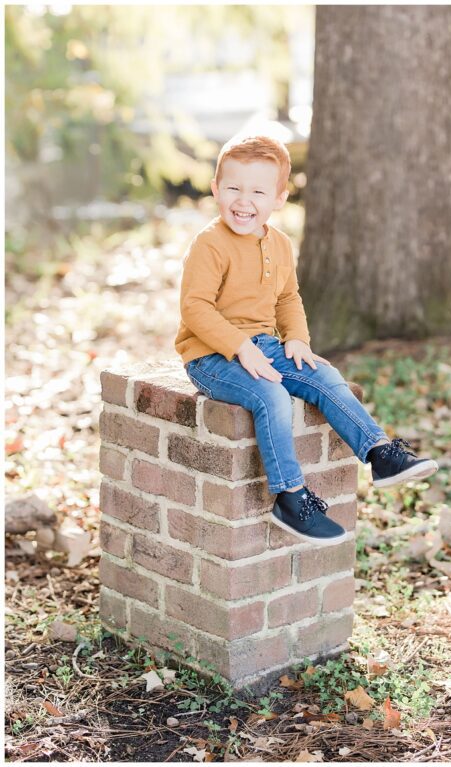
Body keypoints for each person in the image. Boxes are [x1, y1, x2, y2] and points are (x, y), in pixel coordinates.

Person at [175, 134, 437, 546]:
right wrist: (239, 347)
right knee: (272, 396)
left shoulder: (278, 244)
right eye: (233, 189)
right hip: (211, 356)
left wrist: (296, 338)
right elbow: (196, 309)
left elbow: (287, 298)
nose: (244, 201)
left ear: (279, 198)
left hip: (264, 347)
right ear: (215, 189)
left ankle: (380, 454)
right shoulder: (210, 244)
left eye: (258, 191)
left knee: (324, 376)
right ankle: (290, 496)